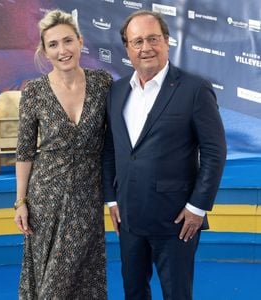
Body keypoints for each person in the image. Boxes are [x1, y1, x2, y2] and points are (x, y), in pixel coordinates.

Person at [102, 10, 227, 300]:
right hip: (129, 218)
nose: (146, 47)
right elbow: (110, 148)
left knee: (177, 294)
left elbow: (214, 151)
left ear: (167, 41)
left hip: (177, 221)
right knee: (133, 291)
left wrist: (197, 208)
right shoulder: (117, 91)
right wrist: (111, 198)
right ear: (127, 48)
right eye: (138, 41)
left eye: (153, 39)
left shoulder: (195, 89)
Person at [14, 9, 112, 299]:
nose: (62, 50)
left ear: (81, 42)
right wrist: (21, 201)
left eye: (67, 41)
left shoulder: (102, 83)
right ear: (44, 52)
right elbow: (24, 150)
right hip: (45, 197)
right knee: (50, 276)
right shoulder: (34, 91)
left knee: (82, 273)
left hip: (87, 196)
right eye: (53, 45)